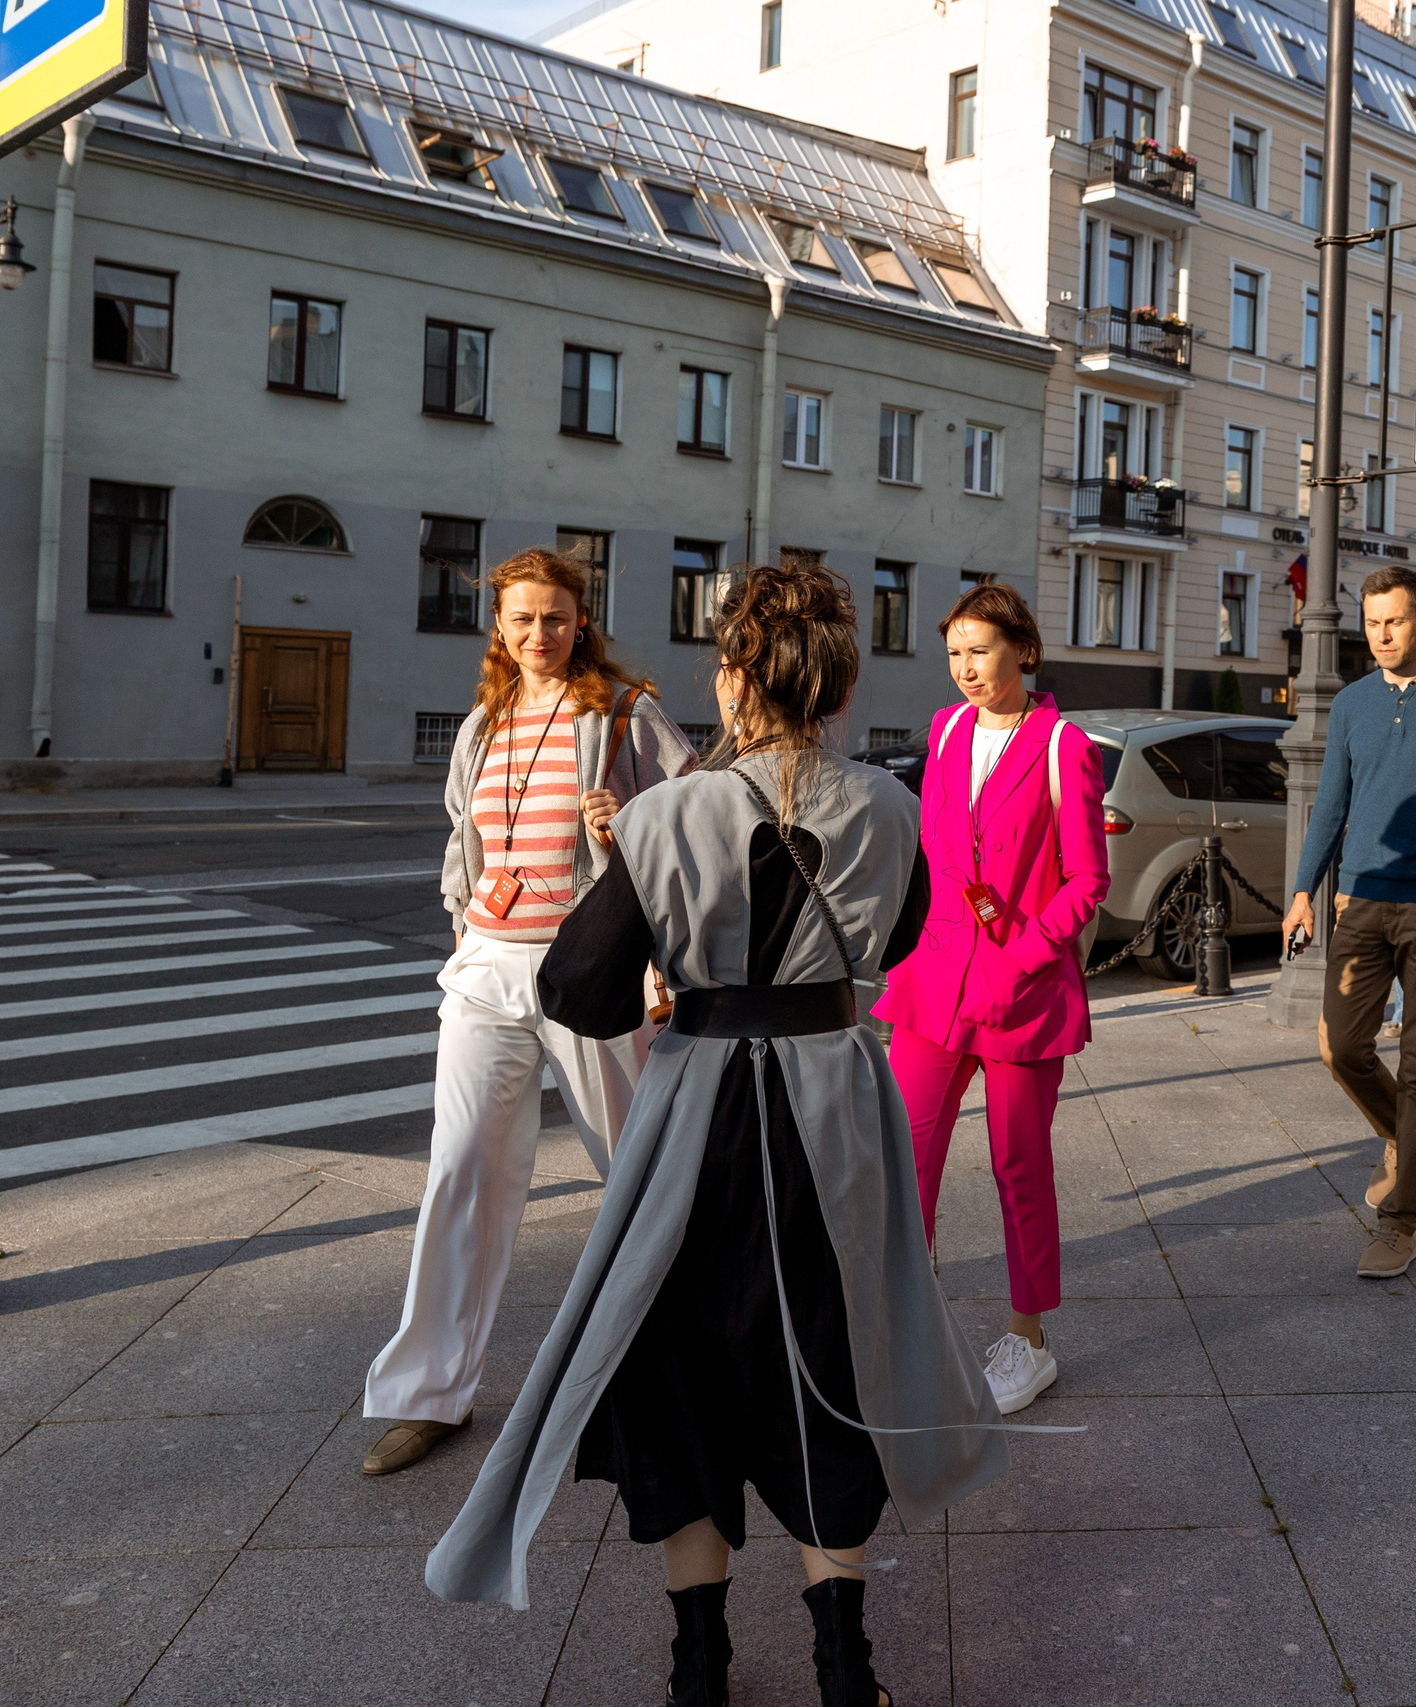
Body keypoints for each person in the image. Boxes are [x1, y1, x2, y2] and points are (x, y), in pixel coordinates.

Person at [427, 562, 1007, 1707]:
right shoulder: (890, 805)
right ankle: (845, 1667)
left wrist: (663, 929)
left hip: (698, 1119)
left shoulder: (663, 814)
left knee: (677, 1372)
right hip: (832, 1113)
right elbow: (899, 939)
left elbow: (580, 992)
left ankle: (700, 1666)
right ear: (838, 686)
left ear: (735, 678)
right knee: (833, 1360)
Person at [362, 549, 696, 1477]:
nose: (539, 632)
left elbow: (691, 818)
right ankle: (429, 1392)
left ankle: (676, 1370)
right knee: (460, 1167)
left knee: (632, 1173)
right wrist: (463, 918)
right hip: (485, 964)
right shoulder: (484, 721)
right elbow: (462, 837)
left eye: (555, 616)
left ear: (580, 620)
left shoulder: (623, 712)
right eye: (522, 618)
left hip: (588, 966)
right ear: (500, 628)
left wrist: (624, 821)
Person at [877, 583, 1108, 1416]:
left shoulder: (1063, 745)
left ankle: (1028, 1339)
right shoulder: (944, 730)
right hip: (934, 981)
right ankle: (903, 1325)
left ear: (1024, 651)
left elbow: (1087, 880)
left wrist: (1025, 954)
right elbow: (928, 851)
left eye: (980, 650)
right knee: (903, 1154)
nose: (966, 668)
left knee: (1020, 1165)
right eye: (955, 654)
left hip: (1022, 990)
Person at [1278, 565, 1416, 1281]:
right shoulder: (1351, 703)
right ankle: (1400, 1134)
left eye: (1395, 621)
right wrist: (1303, 889)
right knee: (1341, 1046)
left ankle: (1399, 1222)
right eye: (1372, 622)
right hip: (1361, 900)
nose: (1381, 635)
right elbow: (1332, 803)